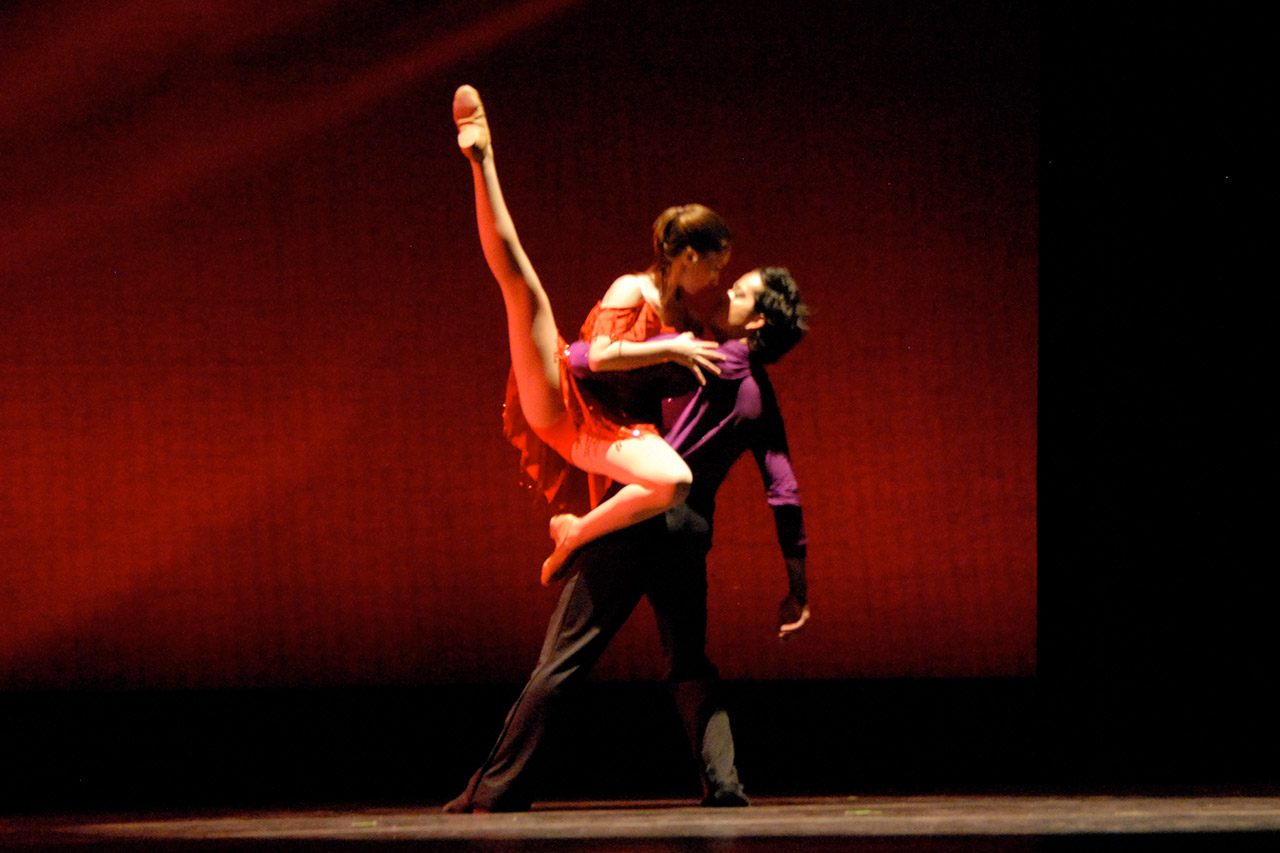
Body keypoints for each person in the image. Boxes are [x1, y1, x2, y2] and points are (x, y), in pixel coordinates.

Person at [443, 265, 811, 813]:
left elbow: (583, 358)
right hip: (691, 530)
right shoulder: (760, 392)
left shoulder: (699, 356)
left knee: (564, 658)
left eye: (738, 293)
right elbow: (783, 487)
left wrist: (590, 356)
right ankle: (725, 782)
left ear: (755, 318)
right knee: (688, 662)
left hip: (638, 518)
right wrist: (797, 585)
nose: (724, 291)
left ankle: (494, 790)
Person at [453, 85, 732, 585]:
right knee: (524, 289)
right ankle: (481, 158)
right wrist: (668, 347)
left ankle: (575, 531)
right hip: (565, 399)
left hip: (607, 428)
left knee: (672, 481)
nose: (717, 279)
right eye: (715, 266)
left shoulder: (684, 320)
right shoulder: (632, 290)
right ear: (689, 256)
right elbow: (596, 357)